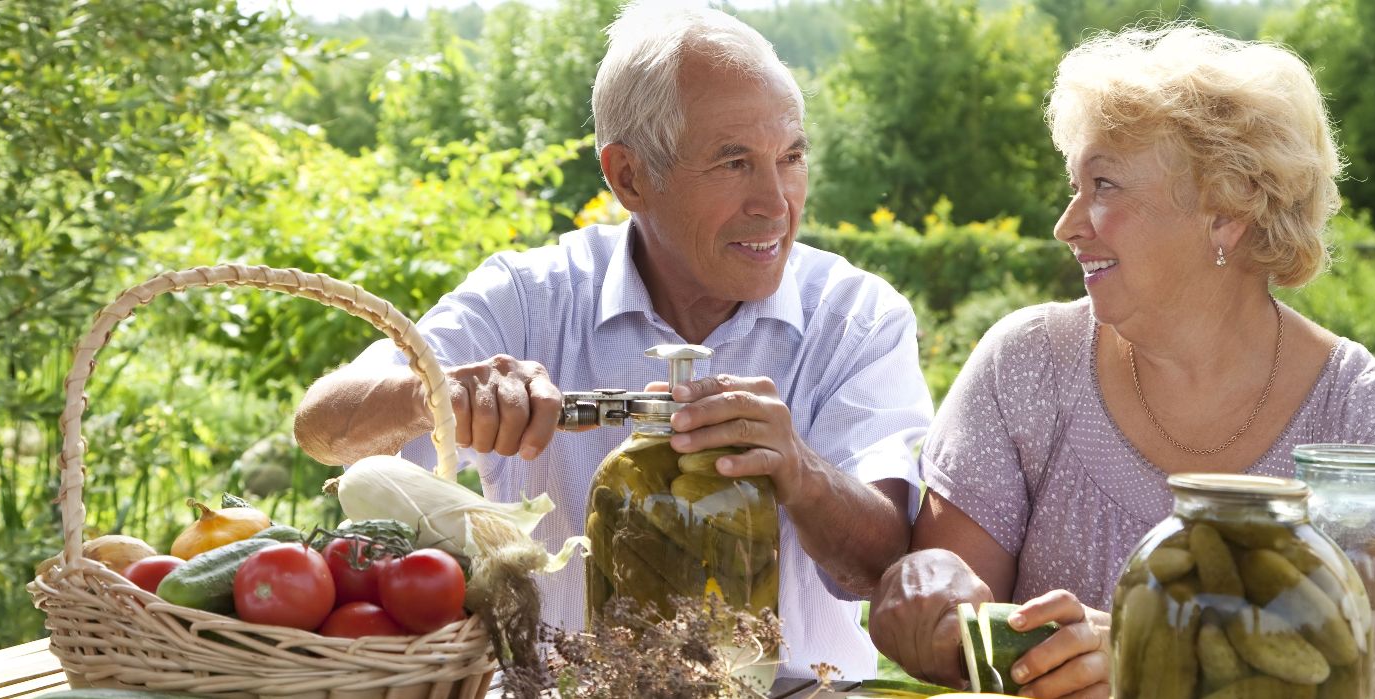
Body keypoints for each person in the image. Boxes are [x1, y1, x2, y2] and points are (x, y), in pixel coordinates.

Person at [292, 3, 931, 681]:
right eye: (734, 162)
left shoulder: (858, 317)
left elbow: (887, 560)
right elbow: (323, 429)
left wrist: (800, 470)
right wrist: (440, 395)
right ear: (628, 176)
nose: (776, 203)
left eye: (791, 157)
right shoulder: (529, 294)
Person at [868, 24, 1375, 699]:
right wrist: (926, 598)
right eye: (1075, 184)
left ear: (1226, 212)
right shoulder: (1024, 366)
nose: (1067, 224)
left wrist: (1146, 661)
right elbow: (950, 626)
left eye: (1104, 185)